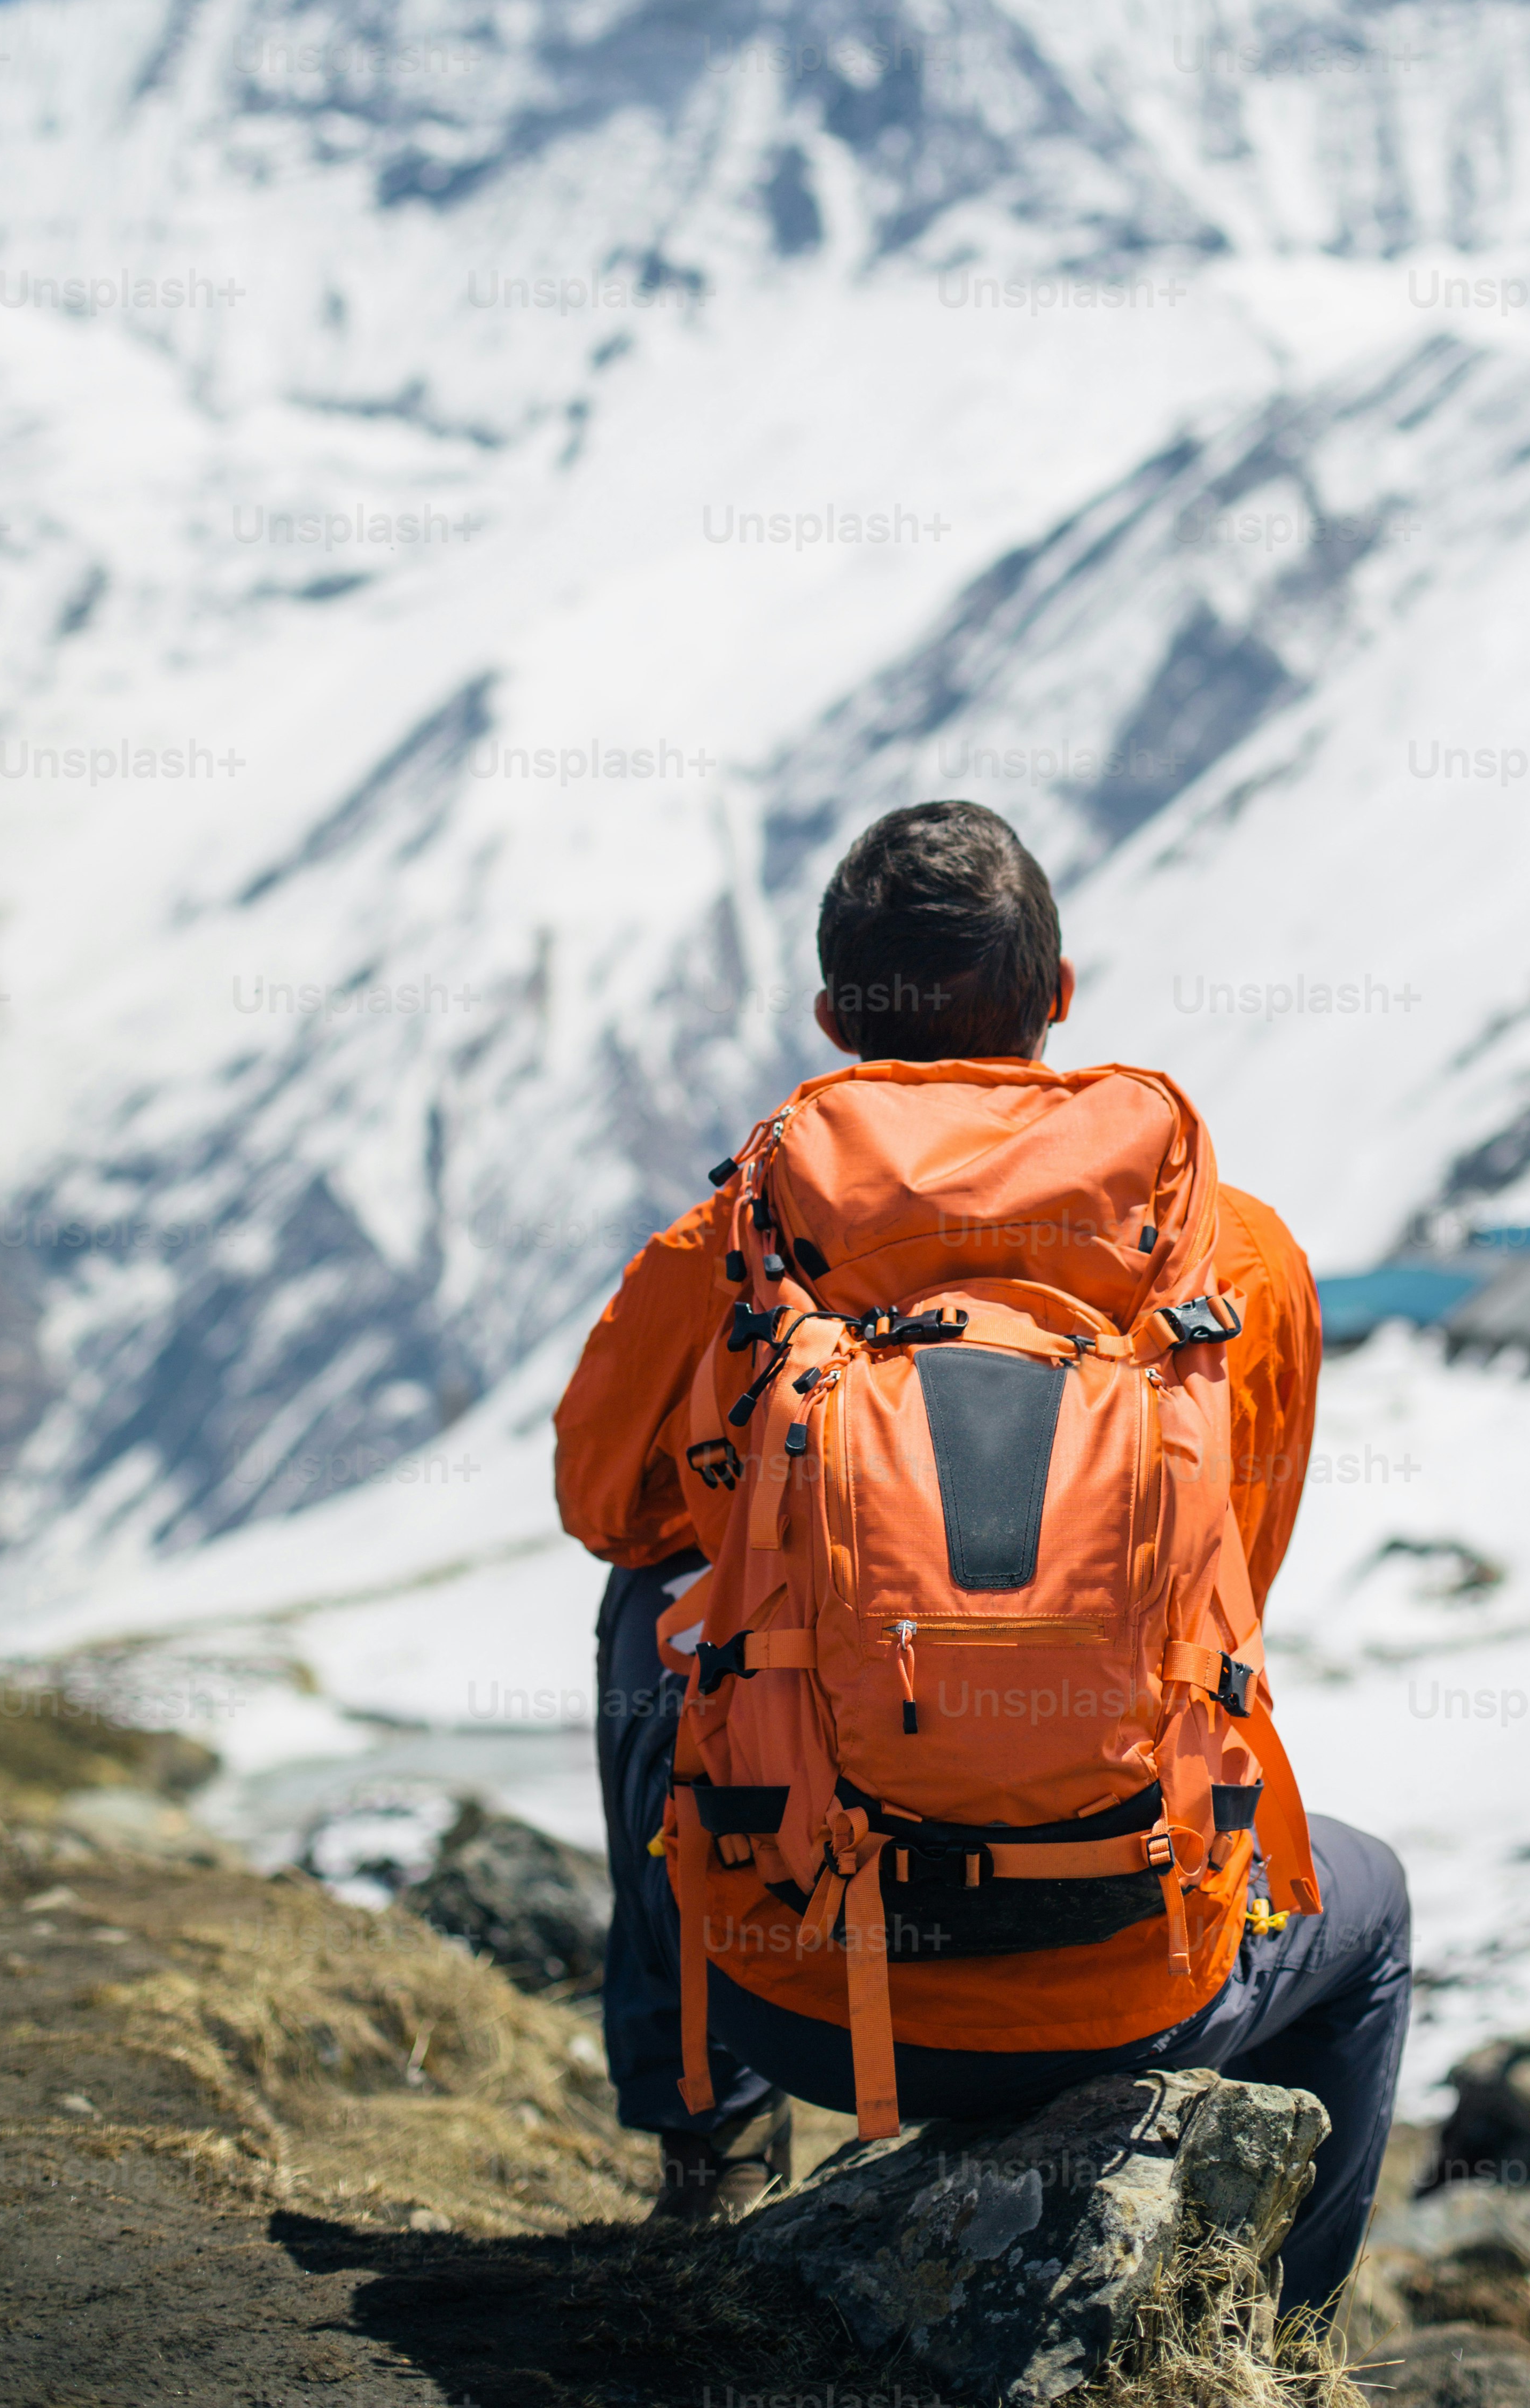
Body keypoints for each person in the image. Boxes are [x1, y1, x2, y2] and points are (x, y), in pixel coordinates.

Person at [554, 802, 1409, 2310]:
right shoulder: (1237, 1257)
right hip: (1138, 1973)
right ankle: (1256, 2333)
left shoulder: (740, 1248)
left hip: (799, 1988)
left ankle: (706, 2154)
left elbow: (611, 1506)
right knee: (1377, 1903)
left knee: (650, 1608)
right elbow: (1233, 1589)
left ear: (831, 1020)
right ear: (1060, 992)